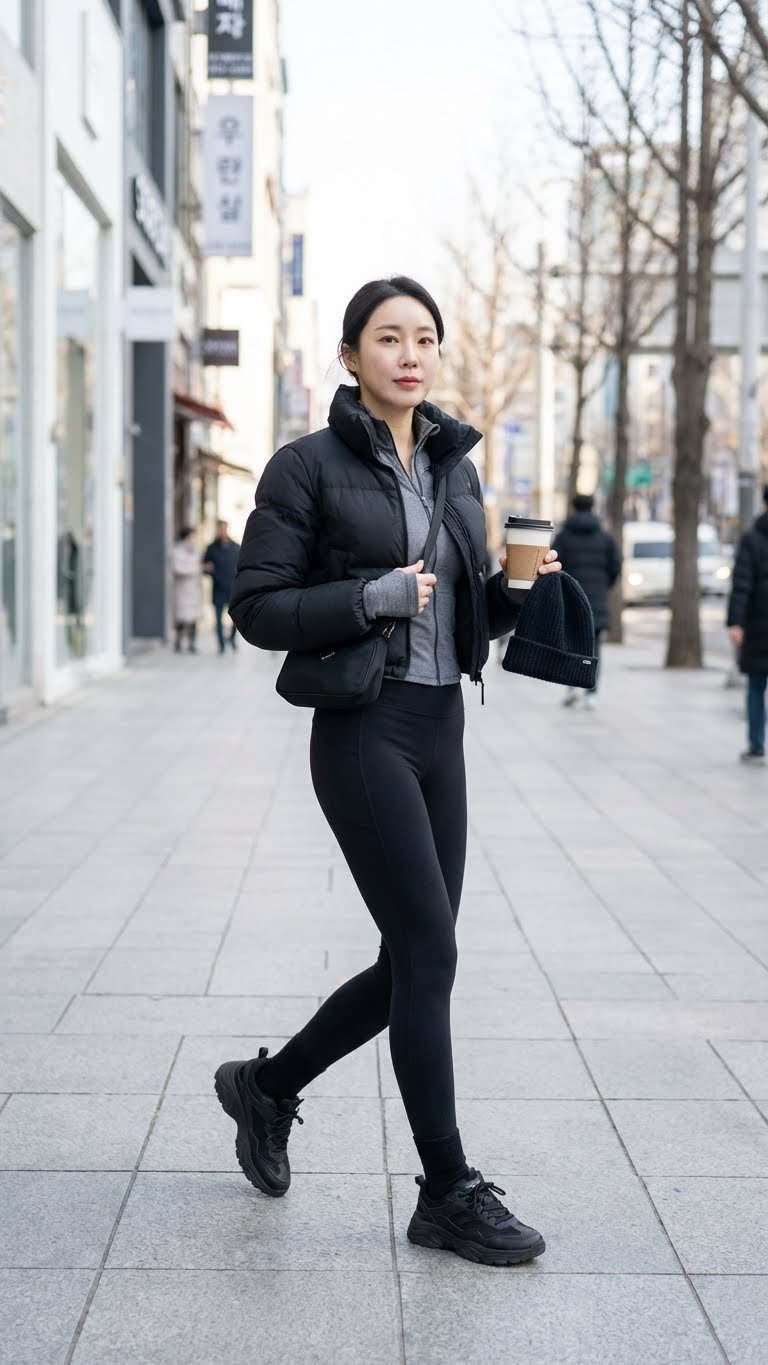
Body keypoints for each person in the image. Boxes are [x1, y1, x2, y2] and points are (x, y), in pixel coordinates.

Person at [213, 276, 563, 1267]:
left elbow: (463, 613)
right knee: (431, 954)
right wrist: (368, 596)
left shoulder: (457, 469)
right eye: (387, 337)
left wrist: (515, 594)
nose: (409, 354)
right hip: (363, 730)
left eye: (424, 339)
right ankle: (447, 1189)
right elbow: (260, 609)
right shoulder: (306, 467)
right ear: (351, 356)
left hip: (440, 729)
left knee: (416, 955)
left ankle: (269, 1086)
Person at [552, 492, 621, 709]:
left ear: (573, 507)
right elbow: (615, 566)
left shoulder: (563, 536)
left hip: (571, 599)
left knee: (570, 644)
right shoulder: (606, 537)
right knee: (595, 647)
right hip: (597, 600)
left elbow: (554, 564)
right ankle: (591, 692)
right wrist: (604, 585)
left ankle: (571, 688)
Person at [727, 482, 768, 764]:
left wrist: (736, 622)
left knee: (755, 685)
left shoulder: (753, 538)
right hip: (757, 624)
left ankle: (756, 744)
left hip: (757, 623)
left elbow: (741, 584)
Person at [202, 520, 241, 653]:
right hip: (218, 588)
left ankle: (232, 638)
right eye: (220, 529)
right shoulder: (211, 548)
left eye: (224, 528)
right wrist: (208, 569)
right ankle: (221, 644)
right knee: (218, 619)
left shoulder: (236, 547)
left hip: (233, 588)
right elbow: (205, 566)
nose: (222, 531)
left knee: (236, 618)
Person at [171, 527, 203, 654]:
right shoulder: (177, 550)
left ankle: (192, 643)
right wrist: (194, 569)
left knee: (194, 619)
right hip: (183, 589)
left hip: (194, 589)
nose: (193, 538)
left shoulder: (195, 550)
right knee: (181, 618)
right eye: (191, 536)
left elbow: (199, 565)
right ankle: (178, 642)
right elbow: (177, 568)